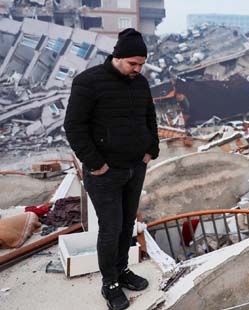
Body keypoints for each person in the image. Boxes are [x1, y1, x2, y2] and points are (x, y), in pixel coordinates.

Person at [64, 28, 159, 310]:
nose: (137, 69)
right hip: (105, 173)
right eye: (133, 63)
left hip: (134, 168)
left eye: (141, 64)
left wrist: (151, 149)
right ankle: (111, 284)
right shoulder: (88, 82)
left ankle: (123, 271)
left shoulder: (140, 83)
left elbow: (149, 117)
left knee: (127, 225)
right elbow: (74, 127)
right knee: (111, 228)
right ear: (117, 57)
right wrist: (96, 164)